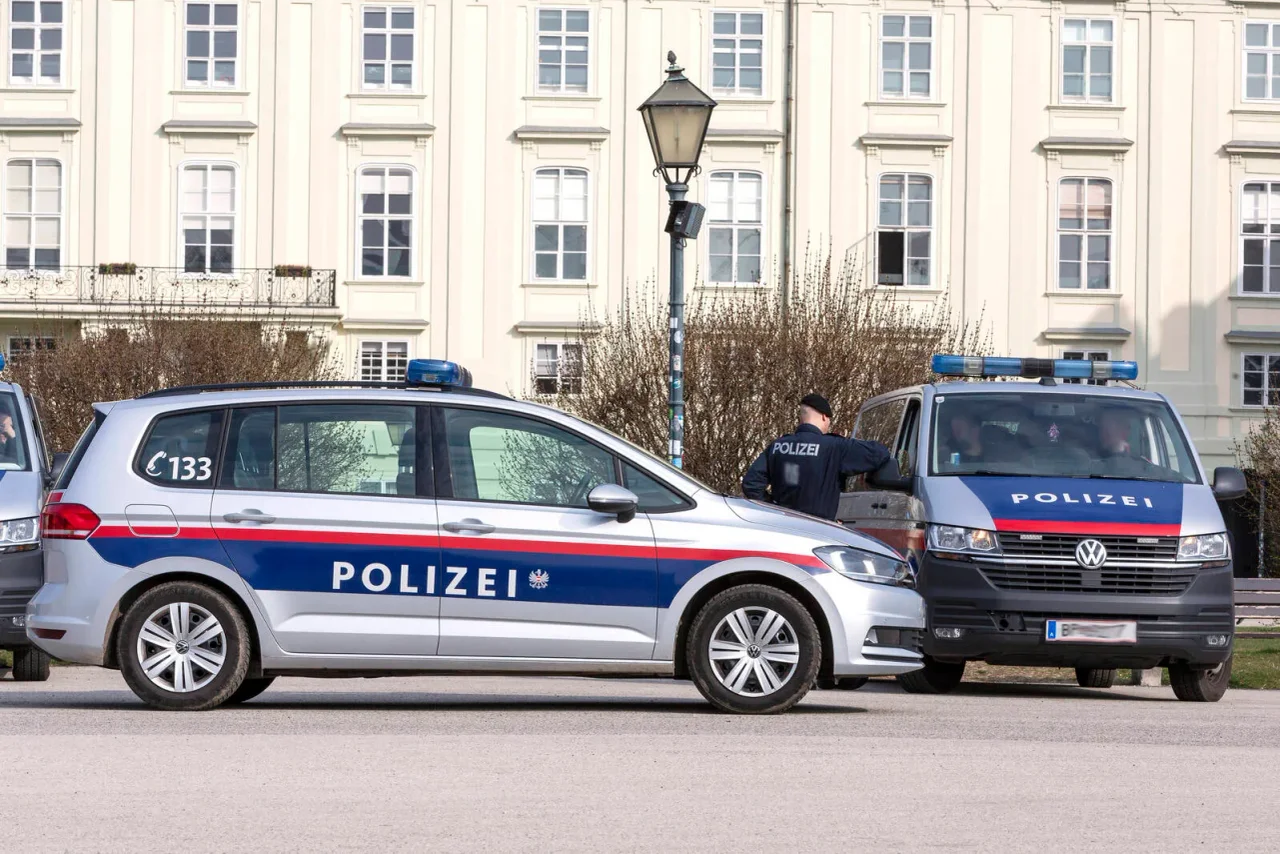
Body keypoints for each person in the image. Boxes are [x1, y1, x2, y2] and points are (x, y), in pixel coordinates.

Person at [741, 393, 891, 520]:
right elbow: (879, 453)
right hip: (817, 529)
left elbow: (751, 484)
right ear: (825, 417)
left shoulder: (778, 446)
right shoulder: (835, 446)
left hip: (782, 525)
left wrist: (773, 508)